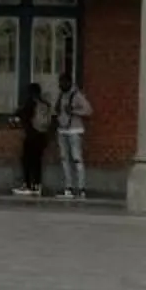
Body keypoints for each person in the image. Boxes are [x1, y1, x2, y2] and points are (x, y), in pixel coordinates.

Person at [14, 76, 53, 196]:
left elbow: (22, 115)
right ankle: (37, 185)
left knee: (27, 160)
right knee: (37, 161)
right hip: (42, 135)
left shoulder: (30, 103)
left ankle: (27, 185)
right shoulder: (45, 103)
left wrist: (16, 115)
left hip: (32, 135)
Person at [55, 71, 91, 199]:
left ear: (69, 82)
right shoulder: (61, 95)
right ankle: (68, 187)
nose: (60, 85)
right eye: (60, 82)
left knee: (77, 159)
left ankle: (81, 188)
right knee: (64, 159)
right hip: (62, 129)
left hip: (75, 130)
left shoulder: (77, 95)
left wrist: (74, 111)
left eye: (63, 82)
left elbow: (88, 110)